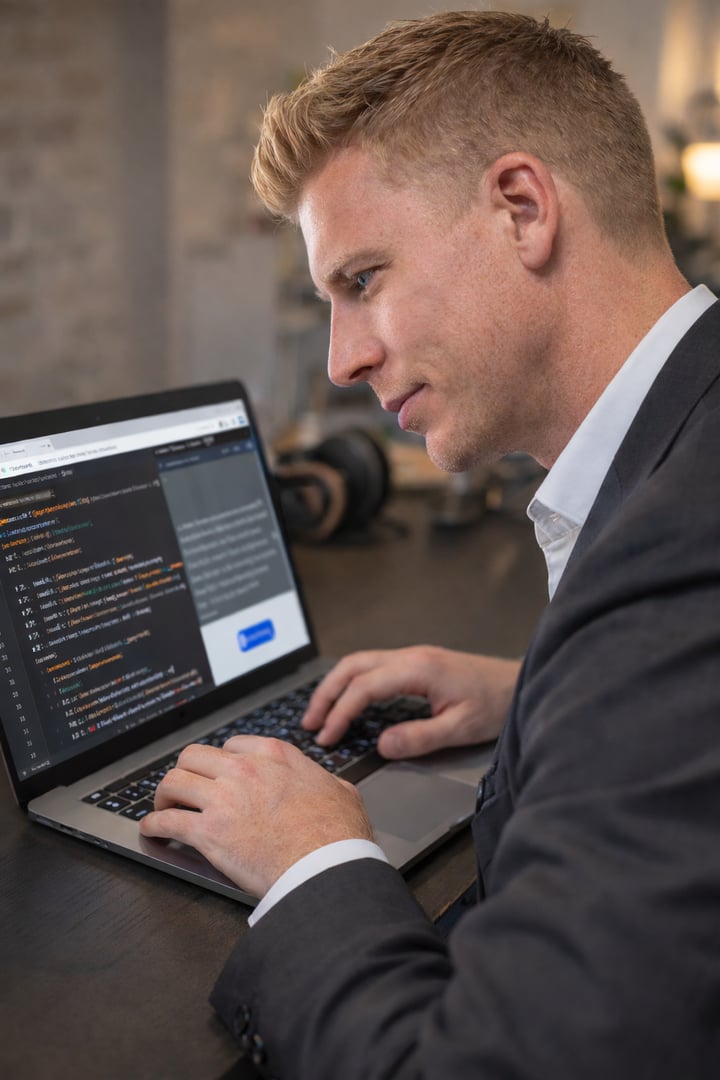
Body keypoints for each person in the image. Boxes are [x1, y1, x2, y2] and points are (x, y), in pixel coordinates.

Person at [141, 11, 720, 1077]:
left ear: (520, 209)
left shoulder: (679, 568)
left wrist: (316, 858)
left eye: (362, 279)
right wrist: (544, 691)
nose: (341, 360)